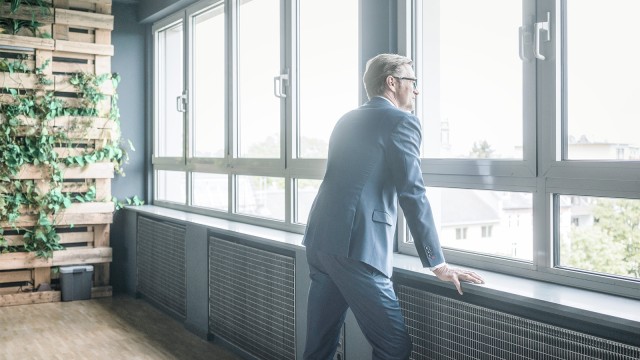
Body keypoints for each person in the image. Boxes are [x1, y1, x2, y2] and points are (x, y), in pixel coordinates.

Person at [302, 53, 485, 360]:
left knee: (319, 347)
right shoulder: (401, 122)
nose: (415, 90)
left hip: (320, 239)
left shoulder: (346, 119)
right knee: (395, 347)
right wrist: (436, 263)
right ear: (392, 82)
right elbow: (413, 193)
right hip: (356, 246)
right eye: (411, 81)